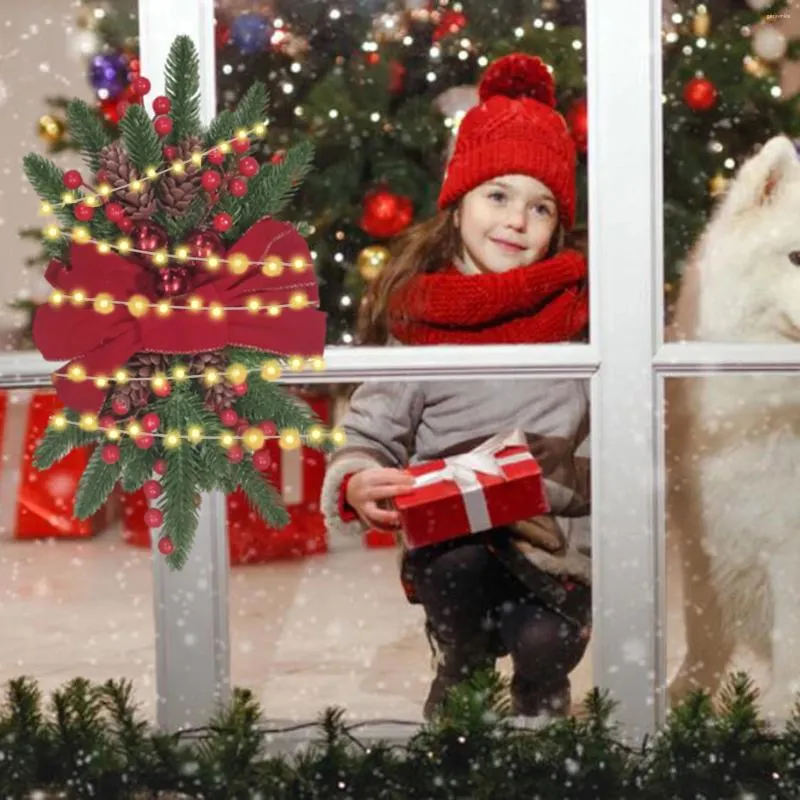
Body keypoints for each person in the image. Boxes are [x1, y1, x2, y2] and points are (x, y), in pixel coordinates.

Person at [320, 52, 591, 721]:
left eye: (541, 207)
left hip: (555, 543)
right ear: (459, 202)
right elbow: (371, 428)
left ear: (558, 226)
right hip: (457, 543)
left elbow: (625, 428)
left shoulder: (580, 317)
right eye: (497, 196)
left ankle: (541, 706)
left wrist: (583, 483)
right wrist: (357, 479)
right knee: (462, 575)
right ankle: (462, 672)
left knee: (543, 639)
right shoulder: (422, 320)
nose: (516, 222)